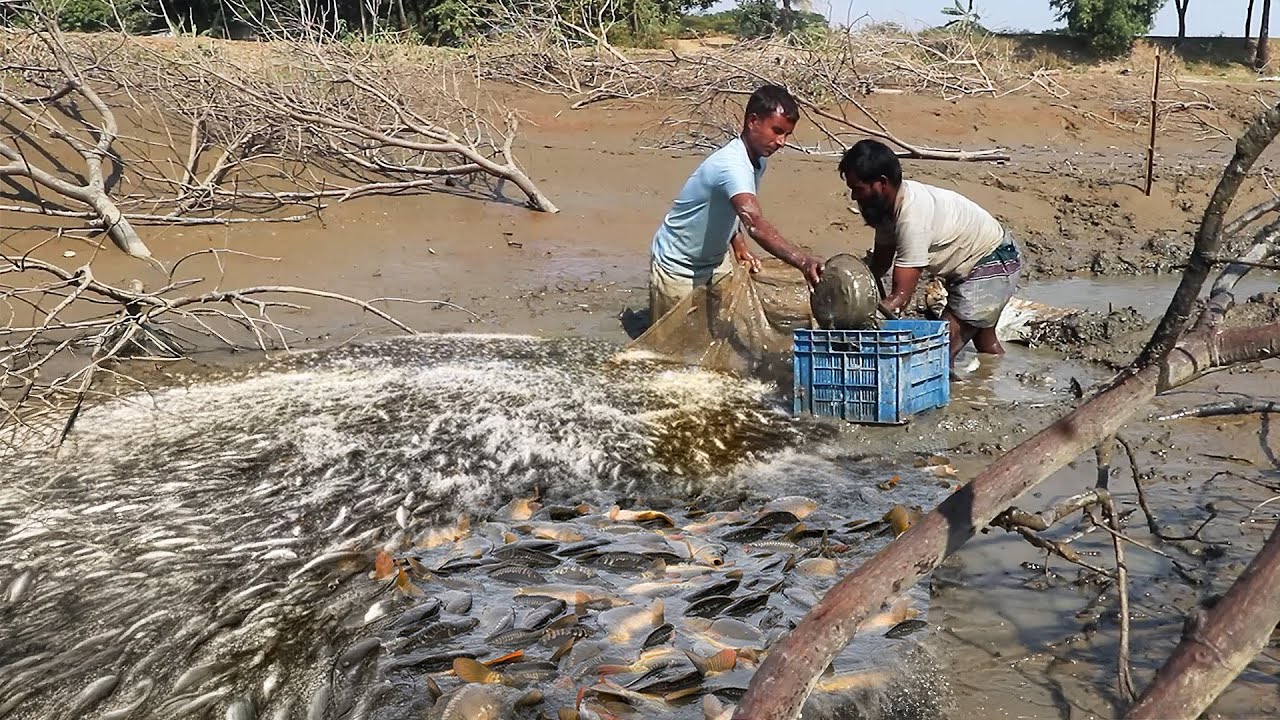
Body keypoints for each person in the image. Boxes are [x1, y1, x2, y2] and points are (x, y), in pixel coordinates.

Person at [647, 84, 824, 323]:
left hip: (715, 262)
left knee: (719, 331)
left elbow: (733, 209)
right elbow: (755, 224)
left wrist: (738, 245)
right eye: (777, 131)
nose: (781, 142)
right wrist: (802, 261)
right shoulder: (732, 165)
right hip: (678, 266)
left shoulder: (758, 161)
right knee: (674, 345)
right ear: (753, 121)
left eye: (787, 135)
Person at [838, 138, 1023, 361]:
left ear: (882, 183)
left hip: (990, 263)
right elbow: (878, 267)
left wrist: (856, 327)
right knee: (985, 344)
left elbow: (900, 298)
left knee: (938, 354)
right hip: (979, 259)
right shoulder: (888, 208)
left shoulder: (912, 219)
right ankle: (998, 375)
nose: (854, 197)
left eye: (858, 189)